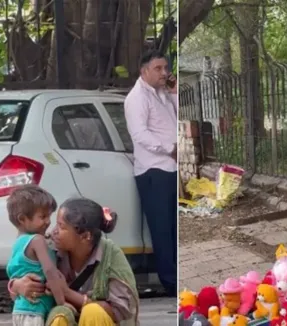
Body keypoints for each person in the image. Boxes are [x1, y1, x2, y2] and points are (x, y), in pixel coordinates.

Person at [8, 198, 139, 326]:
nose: (54, 231)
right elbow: (20, 270)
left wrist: (66, 292)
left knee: (93, 312)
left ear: (85, 236)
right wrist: (17, 286)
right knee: (60, 315)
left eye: (61, 226)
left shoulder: (110, 255)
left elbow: (121, 310)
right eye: (56, 224)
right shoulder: (49, 248)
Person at [124, 49, 177, 295]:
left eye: (165, 68)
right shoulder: (137, 98)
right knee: (162, 228)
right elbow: (140, 134)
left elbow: (175, 119)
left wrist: (174, 93)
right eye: (158, 68)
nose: (164, 73)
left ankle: (177, 274)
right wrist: (169, 149)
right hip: (153, 170)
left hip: (170, 167)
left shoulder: (162, 93)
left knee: (174, 226)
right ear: (143, 71)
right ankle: (169, 281)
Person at [6, 185, 65, 326]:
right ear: (22, 219)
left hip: (20, 311)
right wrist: (62, 303)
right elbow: (50, 271)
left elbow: (13, 278)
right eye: (43, 216)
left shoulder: (18, 244)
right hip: (35, 312)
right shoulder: (37, 241)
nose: (48, 221)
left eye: (49, 216)